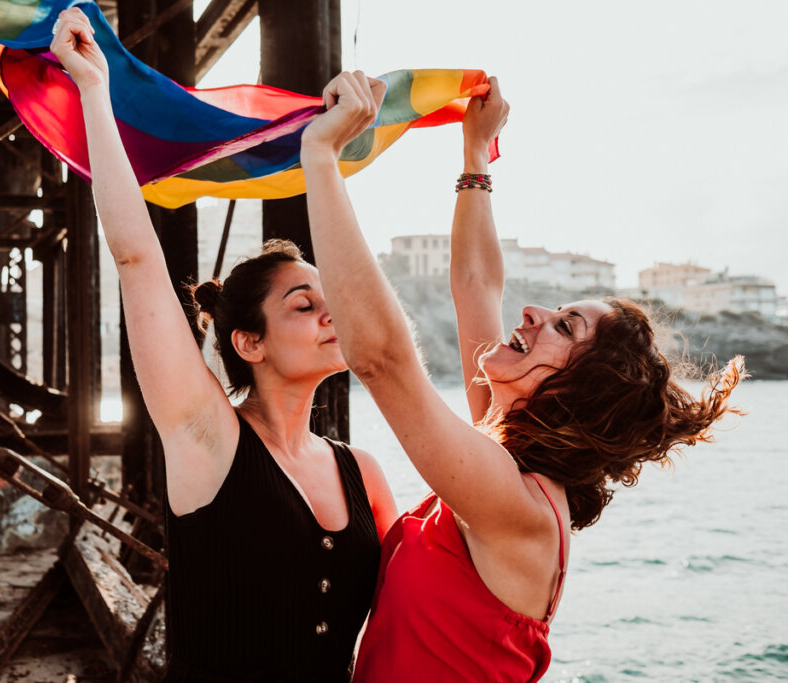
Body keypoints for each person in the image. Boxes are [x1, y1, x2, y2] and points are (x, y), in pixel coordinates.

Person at [298, 72, 744, 680]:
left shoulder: (517, 505)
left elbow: (382, 361)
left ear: (577, 392)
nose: (534, 314)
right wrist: (476, 153)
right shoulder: (501, 445)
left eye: (565, 328)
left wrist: (320, 158)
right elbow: (477, 285)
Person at [49, 9, 397, 682]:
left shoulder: (365, 473)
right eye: (304, 304)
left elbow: (413, 610)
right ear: (249, 342)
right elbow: (136, 259)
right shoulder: (208, 437)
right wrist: (94, 89)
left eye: (331, 300)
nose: (333, 313)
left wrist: (474, 162)